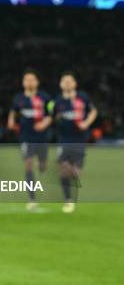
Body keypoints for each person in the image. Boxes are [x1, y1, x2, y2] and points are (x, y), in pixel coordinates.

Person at [6, 69, 52, 211]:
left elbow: (51, 114)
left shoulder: (45, 97)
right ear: (23, 82)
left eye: (32, 79)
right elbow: (13, 111)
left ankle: (42, 168)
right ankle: (32, 198)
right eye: (27, 79)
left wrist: (44, 123)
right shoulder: (18, 99)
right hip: (26, 138)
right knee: (28, 164)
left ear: (37, 82)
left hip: (42, 137)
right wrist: (11, 121)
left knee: (43, 165)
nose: (29, 82)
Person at [51, 71, 97, 213]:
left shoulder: (83, 98)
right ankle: (68, 200)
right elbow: (53, 118)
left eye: (70, 81)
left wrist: (86, 123)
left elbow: (93, 111)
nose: (67, 83)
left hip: (80, 140)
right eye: (64, 81)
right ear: (60, 84)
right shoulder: (57, 101)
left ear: (75, 83)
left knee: (76, 174)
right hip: (64, 140)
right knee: (63, 170)